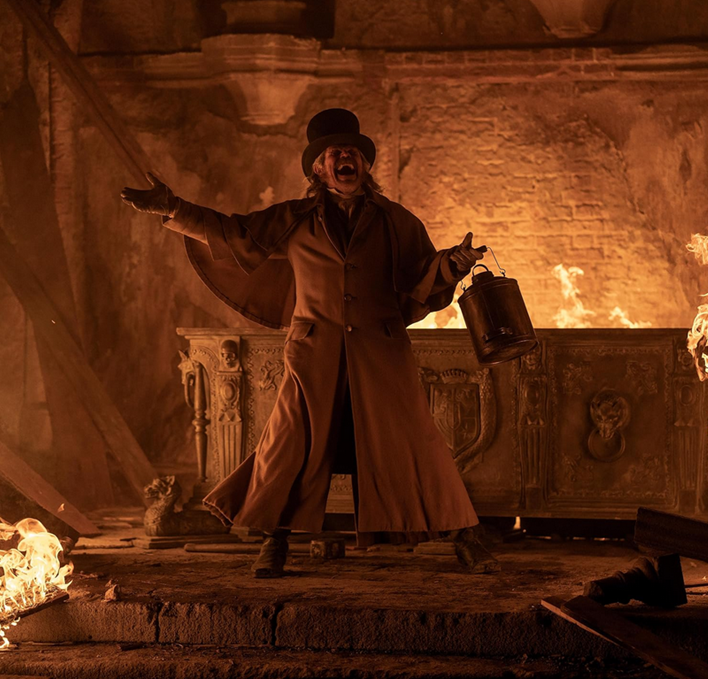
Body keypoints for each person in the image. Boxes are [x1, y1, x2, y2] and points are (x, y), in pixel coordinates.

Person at [121, 108, 498, 577]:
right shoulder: (293, 220)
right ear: (318, 169)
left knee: (417, 445)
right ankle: (273, 542)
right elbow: (233, 232)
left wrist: (455, 261)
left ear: (364, 165)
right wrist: (174, 208)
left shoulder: (396, 221)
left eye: (352, 151)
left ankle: (465, 537)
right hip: (314, 353)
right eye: (333, 153)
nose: (344, 158)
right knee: (288, 445)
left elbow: (422, 274)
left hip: (381, 355)